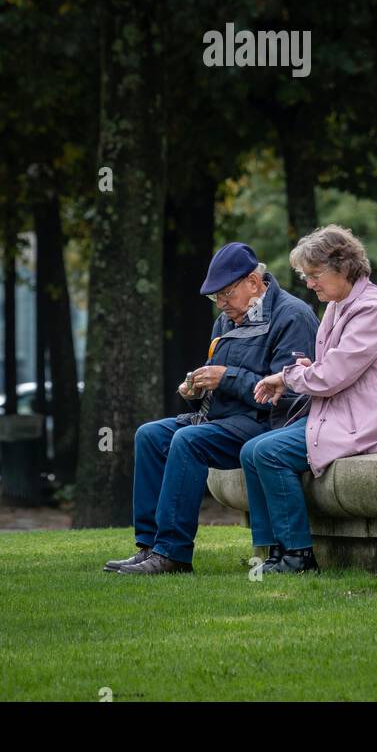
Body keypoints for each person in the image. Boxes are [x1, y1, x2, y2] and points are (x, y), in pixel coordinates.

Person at [104, 241, 318, 576]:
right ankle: (149, 546)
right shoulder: (227, 321)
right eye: (214, 297)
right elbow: (218, 381)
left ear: (253, 282)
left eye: (226, 294)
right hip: (224, 419)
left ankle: (172, 554)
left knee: (190, 441)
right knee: (150, 435)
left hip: (267, 424)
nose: (221, 304)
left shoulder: (293, 316)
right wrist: (195, 388)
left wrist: (226, 377)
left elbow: (288, 395)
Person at [243, 224, 377, 575]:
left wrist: (289, 376)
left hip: (371, 421)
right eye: (306, 276)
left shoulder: (372, 310)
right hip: (343, 412)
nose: (309, 284)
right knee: (251, 449)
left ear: (343, 267)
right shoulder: (342, 305)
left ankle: (298, 556)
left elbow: (333, 376)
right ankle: (274, 550)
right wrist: (309, 370)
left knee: (267, 452)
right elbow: (336, 368)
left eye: (314, 275)